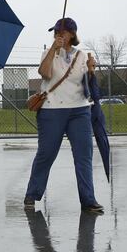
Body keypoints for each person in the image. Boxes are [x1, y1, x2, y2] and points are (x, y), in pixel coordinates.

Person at [24, 18, 104, 214]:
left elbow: (87, 85)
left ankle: (88, 200)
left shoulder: (82, 55)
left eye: (62, 31)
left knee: (84, 156)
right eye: (56, 31)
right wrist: (53, 49)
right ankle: (32, 194)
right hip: (52, 110)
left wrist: (92, 70)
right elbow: (44, 73)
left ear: (72, 34)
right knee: (46, 153)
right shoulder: (49, 53)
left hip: (80, 110)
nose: (58, 34)